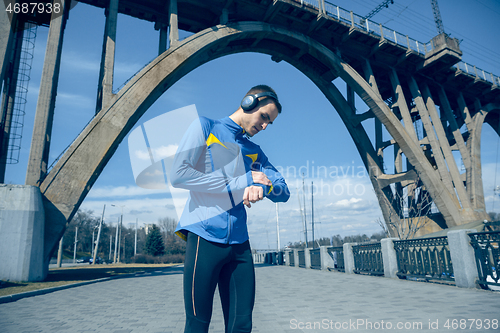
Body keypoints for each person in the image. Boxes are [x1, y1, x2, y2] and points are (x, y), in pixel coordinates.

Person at [170, 84, 290, 332]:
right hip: (205, 238)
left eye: (270, 122)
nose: (264, 126)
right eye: (264, 117)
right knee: (197, 324)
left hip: (240, 246)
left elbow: (283, 191)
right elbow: (180, 175)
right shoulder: (206, 127)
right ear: (248, 102)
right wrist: (245, 181)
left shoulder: (254, 152)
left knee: (241, 324)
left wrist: (262, 188)